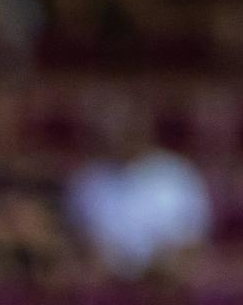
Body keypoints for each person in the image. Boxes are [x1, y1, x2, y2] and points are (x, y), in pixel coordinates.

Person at [67, 95, 210, 283]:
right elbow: (80, 242)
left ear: (142, 128)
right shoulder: (88, 181)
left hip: (164, 280)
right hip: (105, 283)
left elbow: (192, 241)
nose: (119, 135)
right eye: (113, 128)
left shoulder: (177, 175)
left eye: (127, 127)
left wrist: (159, 266)